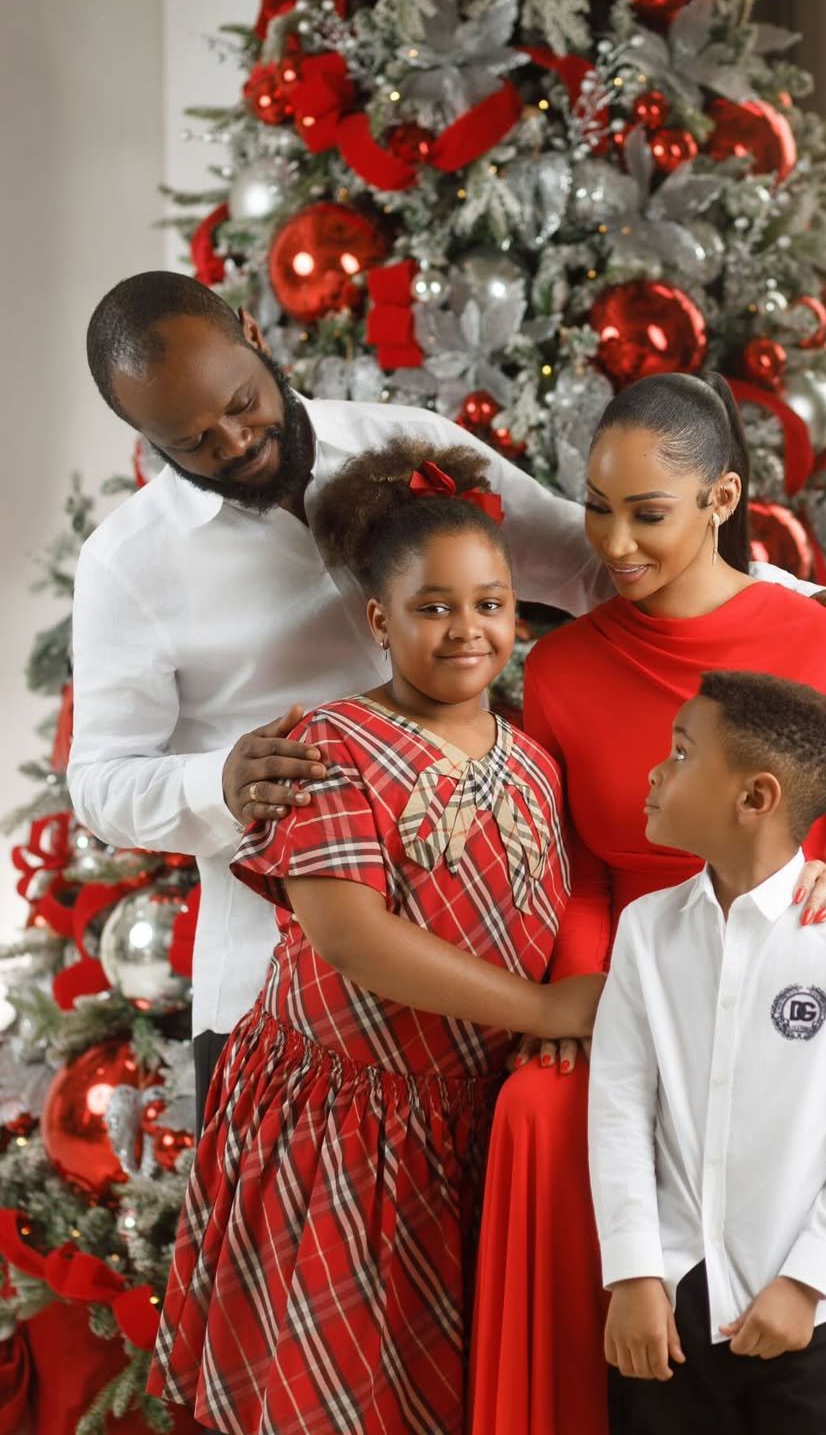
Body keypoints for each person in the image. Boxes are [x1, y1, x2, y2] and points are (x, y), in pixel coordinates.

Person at [69, 272, 826, 1126]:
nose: (234, 441)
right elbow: (99, 785)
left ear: (251, 333)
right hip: (281, 1007)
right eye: (192, 441)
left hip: (504, 985)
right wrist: (218, 783)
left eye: (241, 404)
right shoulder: (128, 565)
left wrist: (788, 605)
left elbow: (592, 558)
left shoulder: (409, 446)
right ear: (140, 432)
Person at [468, 372, 826, 1434]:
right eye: (596, 505)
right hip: (633, 971)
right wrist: (581, 1000)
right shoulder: (564, 666)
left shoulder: (820, 643)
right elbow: (579, 864)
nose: (613, 542)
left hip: (784, 964)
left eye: (648, 513)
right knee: (540, 1108)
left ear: (721, 502)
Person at [147, 440, 604, 1435]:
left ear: (517, 614)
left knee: (455, 1386)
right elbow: (350, 936)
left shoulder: (533, 760)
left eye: (488, 603)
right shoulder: (331, 746)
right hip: (346, 1126)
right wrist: (542, 1008)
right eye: (433, 607)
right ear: (379, 621)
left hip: (472, 1122)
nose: (466, 629)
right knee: (343, 1391)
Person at [591, 671, 826, 1435]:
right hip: (666, 1306)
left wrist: (805, 1283)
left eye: (680, 752)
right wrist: (633, 1275)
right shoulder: (646, 930)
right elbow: (619, 1108)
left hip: (811, 1312)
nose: (655, 772)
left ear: (755, 797)